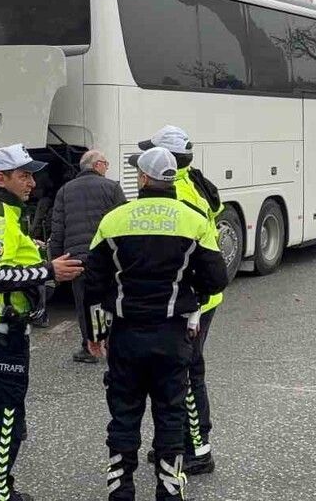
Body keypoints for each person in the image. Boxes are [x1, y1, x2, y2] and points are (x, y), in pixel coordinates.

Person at [84, 147, 229, 501]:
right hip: (172, 335)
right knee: (170, 412)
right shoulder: (193, 219)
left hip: (126, 334)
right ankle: (168, 488)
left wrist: (94, 333)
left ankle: (121, 489)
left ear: (144, 179)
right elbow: (216, 279)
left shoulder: (114, 219)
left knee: (124, 413)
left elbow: (93, 282)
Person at [0, 144, 84, 501]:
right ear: (1, 178)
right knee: (5, 419)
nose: (32, 183)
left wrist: (35, 252)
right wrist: (48, 270)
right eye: (24, 176)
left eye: (31, 175)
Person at [137, 125, 223, 473]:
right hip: (200, 295)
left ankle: (197, 451)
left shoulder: (182, 192)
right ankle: (176, 444)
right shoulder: (193, 181)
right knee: (180, 371)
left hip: (193, 299)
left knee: (187, 373)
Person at [50, 150, 127, 364]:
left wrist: (56, 263)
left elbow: (57, 230)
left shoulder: (64, 191)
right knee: (110, 299)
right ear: (98, 165)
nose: (107, 168)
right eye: (106, 164)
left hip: (77, 259)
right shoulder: (112, 188)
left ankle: (89, 346)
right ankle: (112, 343)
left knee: (85, 303)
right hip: (108, 257)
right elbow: (124, 222)